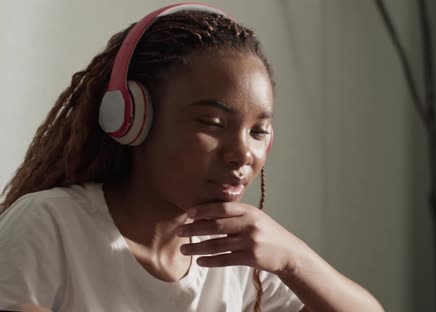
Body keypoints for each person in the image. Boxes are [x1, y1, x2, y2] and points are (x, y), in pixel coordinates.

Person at [0, 3, 384, 312]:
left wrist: (293, 259)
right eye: (213, 123)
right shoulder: (49, 225)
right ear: (132, 119)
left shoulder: (239, 256)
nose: (242, 153)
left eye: (258, 131)